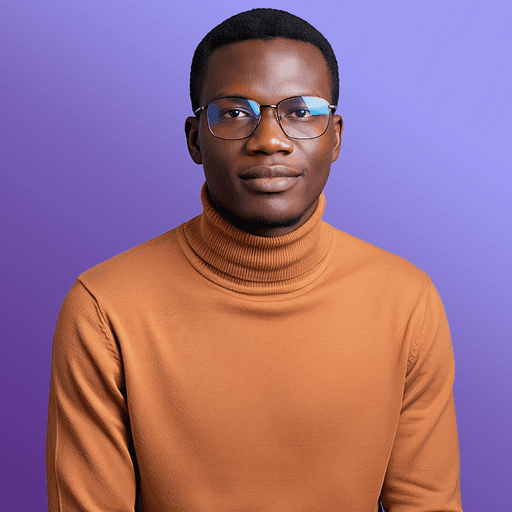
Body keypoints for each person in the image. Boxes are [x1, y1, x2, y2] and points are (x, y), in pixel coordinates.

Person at [46, 8, 462, 512]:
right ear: (195, 139)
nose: (269, 140)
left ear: (335, 136)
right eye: (235, 113)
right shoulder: (104, 307)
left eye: (301, 111)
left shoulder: (407, 301)